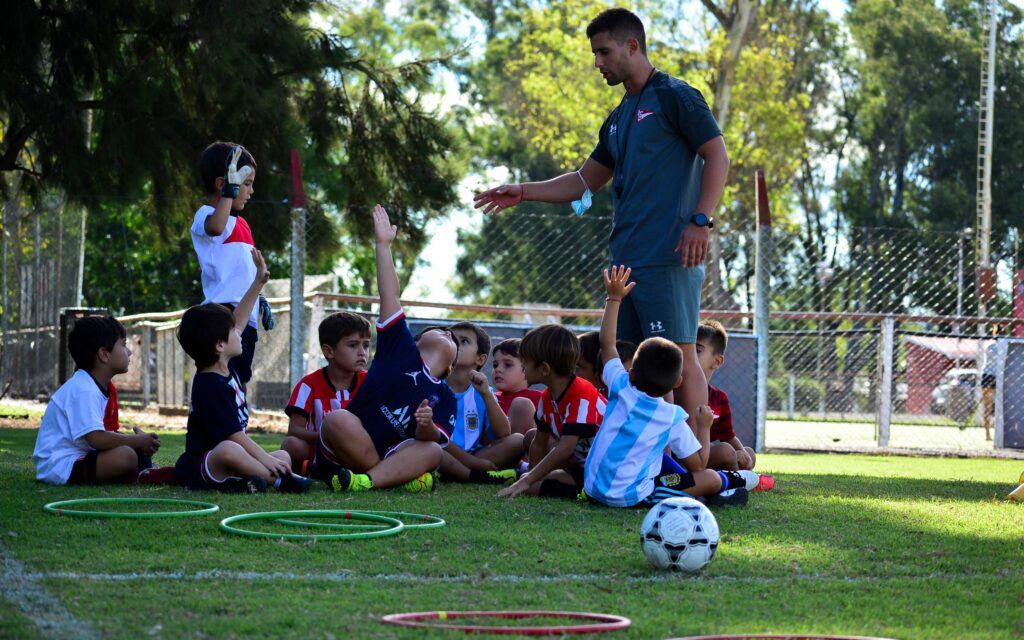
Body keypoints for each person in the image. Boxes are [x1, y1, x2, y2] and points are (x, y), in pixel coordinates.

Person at [473, 7, 729, 430]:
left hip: (668, 254)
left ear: (633, 46)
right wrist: (524, 191)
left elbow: (717, 153)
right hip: (624, 261)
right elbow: (583, 180)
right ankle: (639, 455)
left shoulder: (676, 96)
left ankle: (698, 461)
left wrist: (701, 220)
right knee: (621, 357)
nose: (598, 63)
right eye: (595, 54)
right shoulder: (618, 117)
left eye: (604, 52)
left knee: (678, 356)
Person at [309, 205, 458, 493]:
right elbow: (389, 294)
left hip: (389, 456)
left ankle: (366, 482)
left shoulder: (446, 397)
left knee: (433, 452)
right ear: (416, 342)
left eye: (454, 338)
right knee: (337, 418)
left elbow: (429, 437)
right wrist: (383, 244)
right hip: (348, 447)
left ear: (451, 368)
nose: (447, 331)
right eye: (440, 330)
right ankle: (393, 477)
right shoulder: (400, 348)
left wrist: (425, 424)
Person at [584, 267, 755, 507]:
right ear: (677, 384)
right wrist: (704, 427)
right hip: (633, 496)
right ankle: (730, 482)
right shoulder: (671, 416)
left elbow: (607, 344)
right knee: (709, 478)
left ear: (632, 371)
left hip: (591, 487)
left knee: (662, 461)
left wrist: (613, 298)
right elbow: (698, 464)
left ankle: (728, 482)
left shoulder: (620, 385)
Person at [175, 248, 310, 493]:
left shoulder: (226, 365)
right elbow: (234, 436)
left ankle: (245, 481)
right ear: (219, 345)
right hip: (206, 463)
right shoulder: (209, 383)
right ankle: (279, 480)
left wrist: (258, 282)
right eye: (234, 333)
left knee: (283, 454)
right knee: (232, 449)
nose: (240, 332)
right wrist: (266, 460)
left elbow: (238, 319)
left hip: (233, 459)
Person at [33, 316, 161, 485]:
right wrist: (136, 441)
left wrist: (139, 444)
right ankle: (135, 473)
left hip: (82, 457)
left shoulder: (101, 387)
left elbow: (107, 434)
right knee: (126, 455)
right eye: (123, 345)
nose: (129, 352)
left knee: (130, 451)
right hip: (61, 465)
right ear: (104, 354)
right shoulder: (84, 388)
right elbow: (97, 439)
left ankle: (142, 472)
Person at [190, 142, 268, 387]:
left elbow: (242, 272)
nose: (251, 191)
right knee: (221, 377)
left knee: (239, 378)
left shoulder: (242, 224)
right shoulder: (206, 215)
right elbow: (215, 227)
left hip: (247, 315)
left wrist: (259, 298)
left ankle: (237, 423)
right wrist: (229, 194)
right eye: (246, 184)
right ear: (222, 184)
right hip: (223, 314)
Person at [497, 325, 604, 499]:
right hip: (583, 466)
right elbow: (539, 442)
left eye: (525, 362)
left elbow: (565, 448)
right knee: (532, 481)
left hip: (608, 470)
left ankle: (585, 494)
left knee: (534, 485)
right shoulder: (548, 396)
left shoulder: (582, 393)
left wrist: (526, 482)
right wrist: (531, 477)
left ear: (545, 369)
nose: (522, 367)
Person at [281, 312, 372, 472]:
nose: (362, 352)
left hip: (360, 450)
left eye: (365, 345)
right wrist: (328, 438)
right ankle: (318, 469)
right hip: (322, 450)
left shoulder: (371, 382)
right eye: (353, 345)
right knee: (291, 444)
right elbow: (294, 430)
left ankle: (318, 471)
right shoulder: (308, 385)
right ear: (329, 351)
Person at [438, 322, 524, 484]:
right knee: (432, 449)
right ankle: (473, 476)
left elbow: (503, 434)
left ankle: (455, 473)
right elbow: (436, 437)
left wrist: (486, 394)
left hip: (474, 455)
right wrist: (473, 463)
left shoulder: (482, 391)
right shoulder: (433, 386)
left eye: (463, 341)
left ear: (480, 359)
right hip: (442, 451)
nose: (455, 344)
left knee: (518, 441)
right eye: (450, 339)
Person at [696, 320, 758, 474]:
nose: (688, 355)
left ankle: (731, 477)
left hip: (709, 456)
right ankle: (735, 482)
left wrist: (742, 453)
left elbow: (728, 436)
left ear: (717, 361)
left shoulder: (719, 397)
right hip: (690, 457)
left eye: (697, 350)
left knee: (749, 453)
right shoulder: (678, 391)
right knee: (726, 452)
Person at [491, 338, 544, 436]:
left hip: (521, 448)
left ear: (527, 368)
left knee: (522, 404)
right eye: (495, 365)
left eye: (507, 365)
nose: (498, 369)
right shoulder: (490, 397)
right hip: (493, 447)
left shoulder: (541, 399)